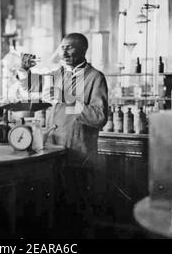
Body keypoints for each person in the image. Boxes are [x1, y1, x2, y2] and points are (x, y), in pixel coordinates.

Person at [16, 32, 108, 237]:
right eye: (63, 47)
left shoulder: (95, 77)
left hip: (79, 153)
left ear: (84, 50)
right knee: (56, 209)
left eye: (70, 47)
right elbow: (29, 85)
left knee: (78, 210)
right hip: (53, 151)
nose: (64, 51)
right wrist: (24, 69)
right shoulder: (58, 74)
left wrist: (68, 99)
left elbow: (99, 117)